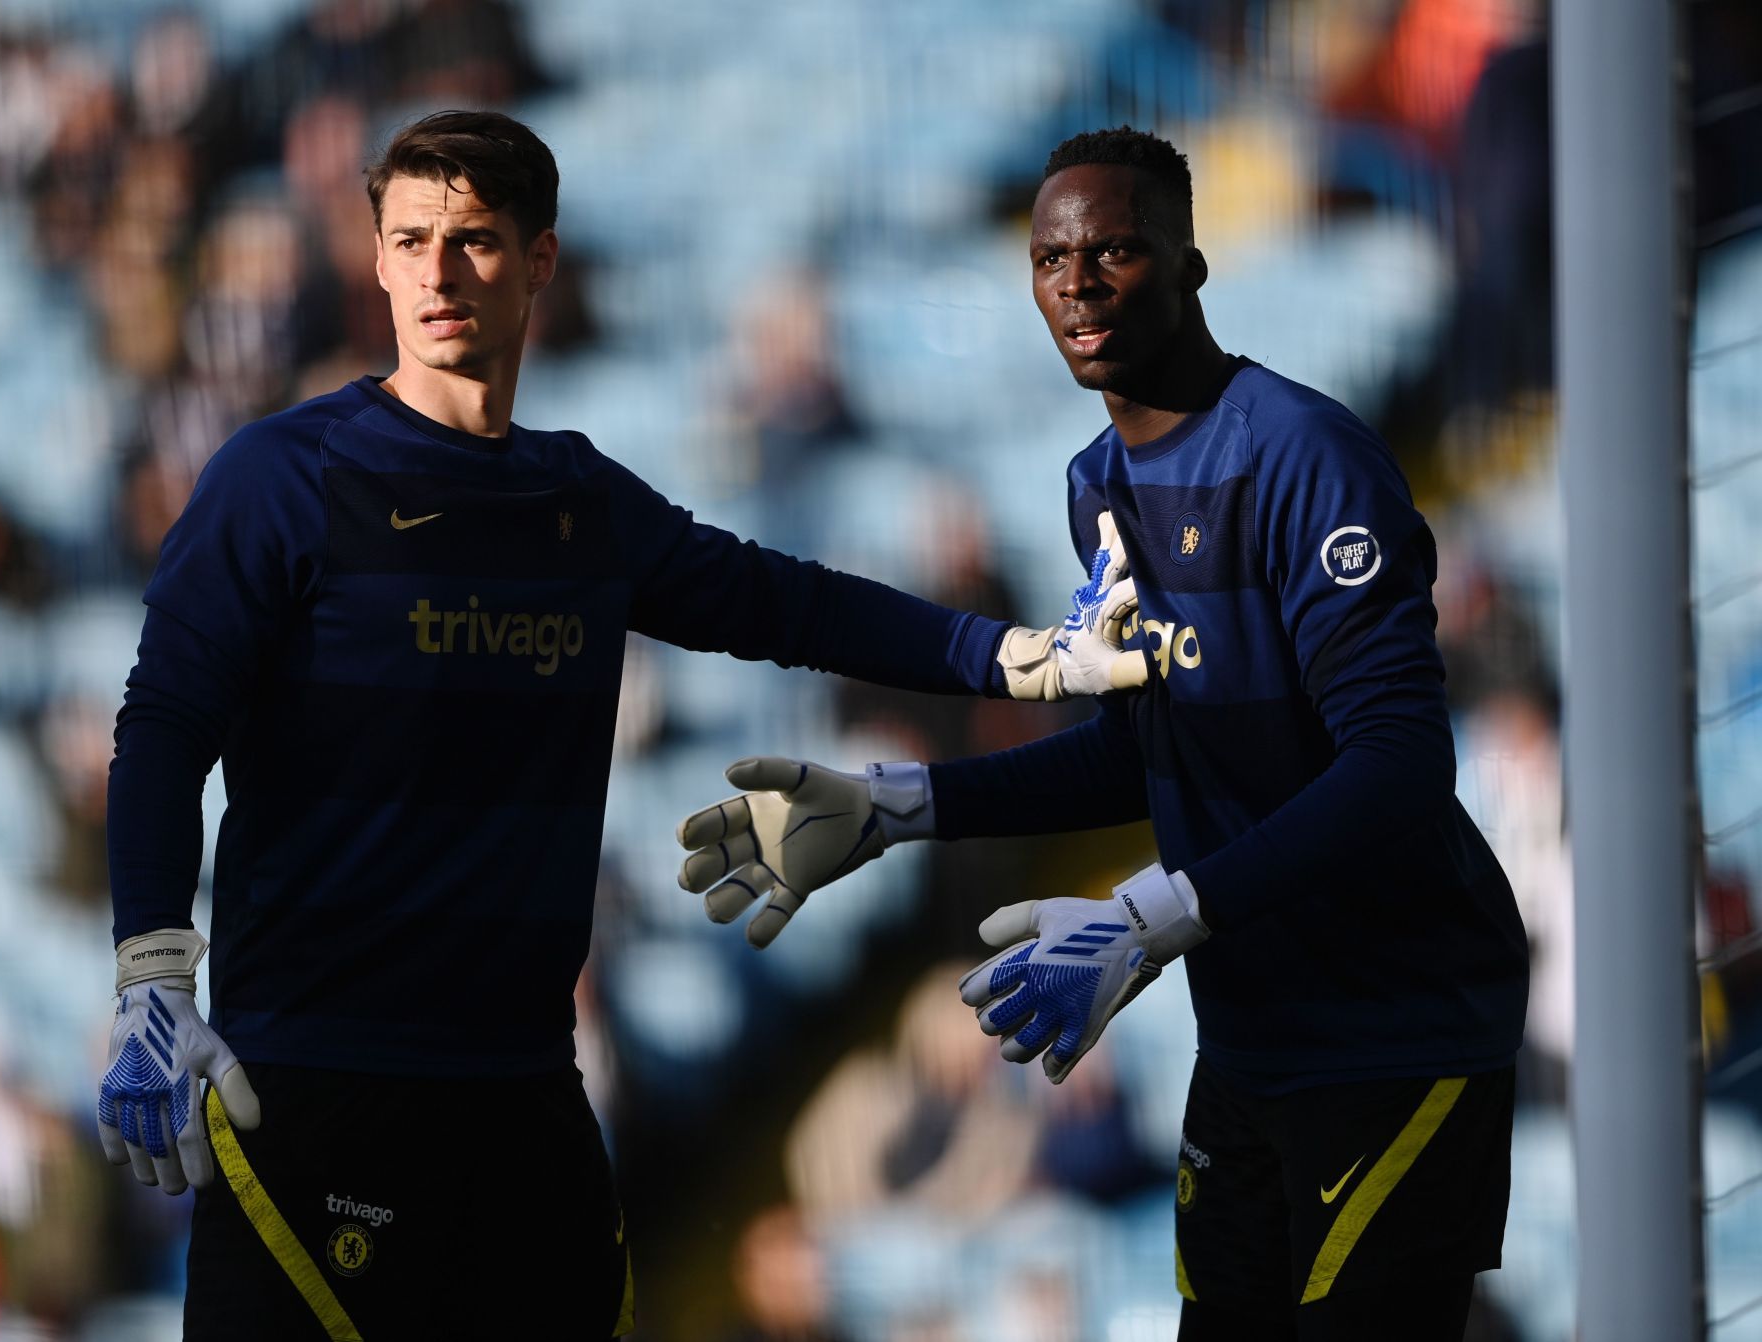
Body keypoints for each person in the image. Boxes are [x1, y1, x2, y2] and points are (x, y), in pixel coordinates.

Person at [93, 109, 1143, 1342]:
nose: (436, 274)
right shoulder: (280, 480)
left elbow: (779, 600)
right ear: (374, 257)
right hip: (322, 1092)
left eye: (474, 240)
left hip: (524, 1104)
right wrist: (153, 972)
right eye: (409, 239)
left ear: (539, 261)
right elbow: (161, 725)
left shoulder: (576, 502)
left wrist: (1014, 655)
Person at [676, 127, 1527, 1342]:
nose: (1076, 281)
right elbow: (1151, 750)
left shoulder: (1305, 457)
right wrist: (896, 806)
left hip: (1399, 1034)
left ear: (1191, 265)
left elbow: (1397, 759)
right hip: (1252, 1038)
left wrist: (1158, 914)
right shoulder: (1097, 485)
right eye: (1049, 258)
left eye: (1117, 248)